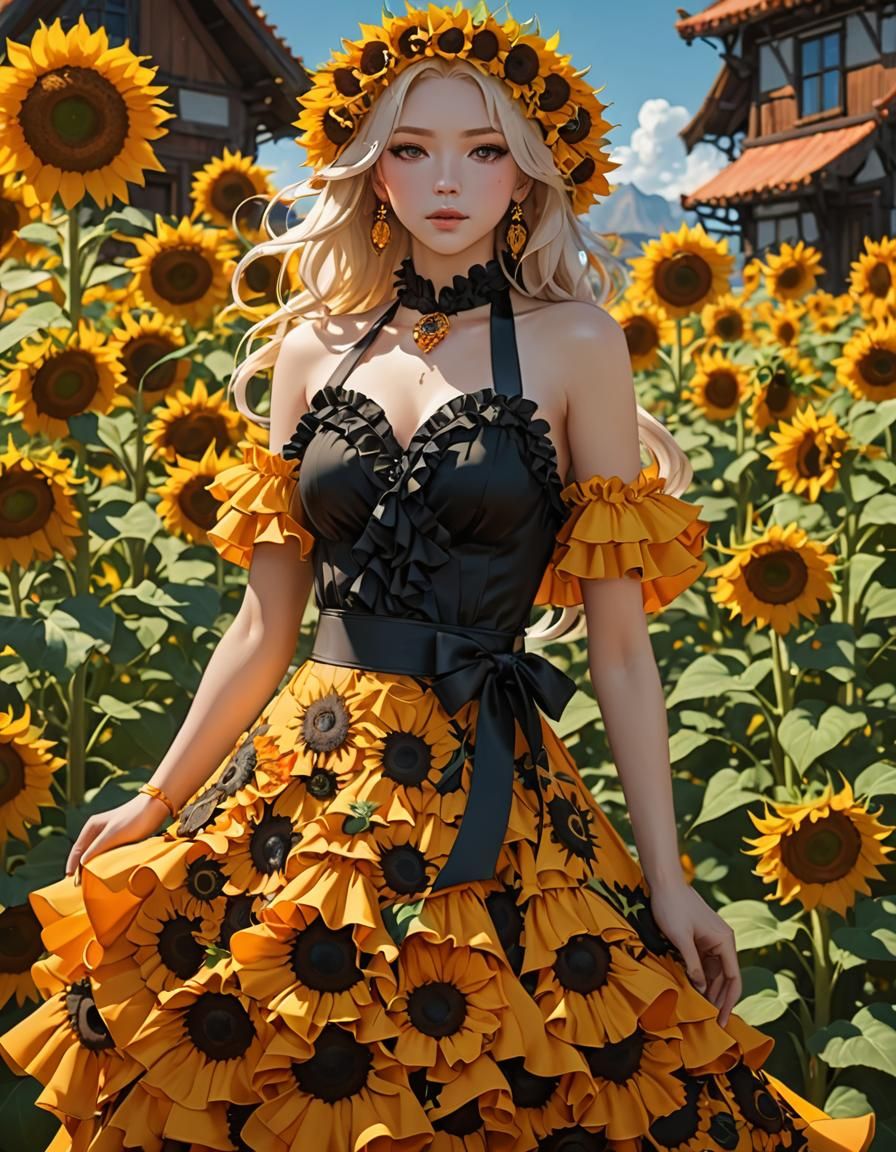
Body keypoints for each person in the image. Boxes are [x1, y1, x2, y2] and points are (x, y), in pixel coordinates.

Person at [0, 6, 876, 1150]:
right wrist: (155, 801)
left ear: (528, 173)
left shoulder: (575, 342)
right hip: (303, 791)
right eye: (410, 149)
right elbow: (264, 625)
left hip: (495, 791)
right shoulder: (313, 345)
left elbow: (618, 650)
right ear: (369, 174)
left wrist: (669, 882)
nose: (444, 180)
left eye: (482, 148)